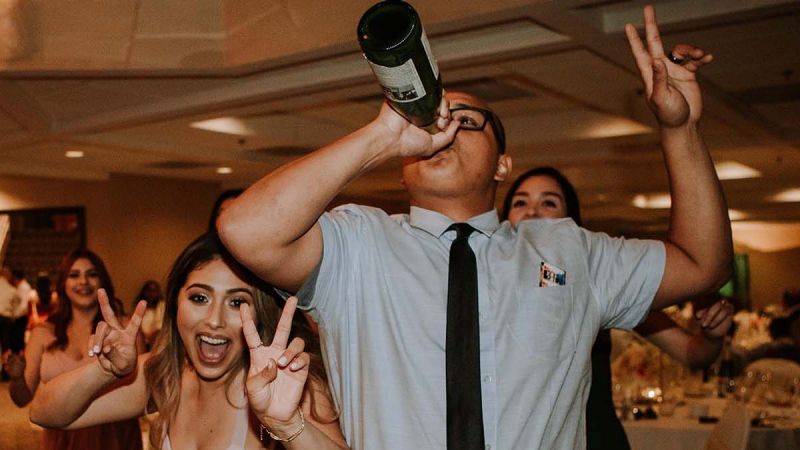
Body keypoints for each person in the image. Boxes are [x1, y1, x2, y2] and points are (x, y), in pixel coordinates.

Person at [218, 5, 732, 449]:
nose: (442, 130)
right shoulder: (358, 245)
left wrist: (679, 128)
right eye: (431, 122)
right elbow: (246, 230)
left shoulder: (570, 250)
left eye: (466, 122)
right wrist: (381, 135)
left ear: (502, 165)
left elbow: (702, 264)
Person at [30, 233, 347, 450]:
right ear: (175, 304)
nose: (214, 320)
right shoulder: (163, 375)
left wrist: (288, 425)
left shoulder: (285, 382)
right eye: (199, 297)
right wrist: (104, 369)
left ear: (261, 312)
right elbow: (45, 413)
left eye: (237, 302)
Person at [501, 165, 734, 449]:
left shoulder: (595, 280)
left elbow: (693, 354)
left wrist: (711, 336)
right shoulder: (488, 286)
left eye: (548, 202)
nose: (532, 212)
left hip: (594, 438)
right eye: (520, 202)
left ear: (570, 221)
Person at [5, 249, 143, 450]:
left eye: (92, 274)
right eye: (74, 275)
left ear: (102, 280)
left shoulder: (126, 331)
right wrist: (17, 377)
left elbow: (141, 395)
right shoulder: (43, 333)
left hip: (115, 438)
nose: (83, 282)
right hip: (61, 439)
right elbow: (22, 400)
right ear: (63, 283)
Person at [136, 279, 165, 350]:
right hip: (141, 342)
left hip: (157, 342)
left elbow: (160, 327)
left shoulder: (162, 306)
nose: (152, 293)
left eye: (154, 290)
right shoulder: (140, 306)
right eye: (149, 290)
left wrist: (151, 338)